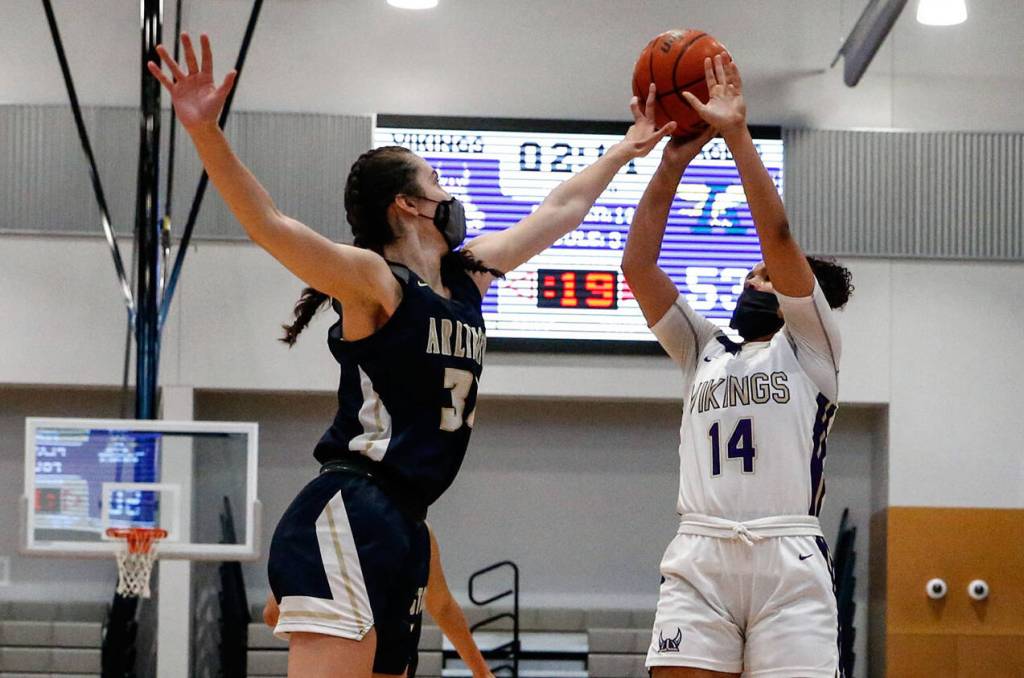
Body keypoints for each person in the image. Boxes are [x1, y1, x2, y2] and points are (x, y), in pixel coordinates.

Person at [149, 33, 675, 678]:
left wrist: (628, 146)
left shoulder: (466, 277)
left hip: (405, 520)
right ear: (408, 204)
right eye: (437, 182)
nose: (449, 194)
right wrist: (206, 132)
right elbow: (270, 225)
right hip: (351, 502)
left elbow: (561, 207)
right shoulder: (376, 281)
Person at [621, 54, 854, 678]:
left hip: (788, 557)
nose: (754, 279)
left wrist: (737, 135)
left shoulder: (812, 351)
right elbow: (638, 269)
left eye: (765, 275)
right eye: (752, 272)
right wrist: (672, 163)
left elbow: (777, 237)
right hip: (700, 554)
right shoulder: (706, 347)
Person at [263, 525, 496, 678]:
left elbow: (442, 605)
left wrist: (482, 673)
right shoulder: (341, 527)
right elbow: (273, 613)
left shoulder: (420, 532)